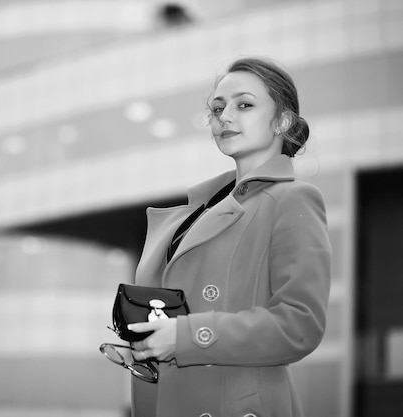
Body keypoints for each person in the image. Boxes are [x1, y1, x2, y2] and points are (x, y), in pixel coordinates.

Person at [126, 57, 331, 417]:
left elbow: (300, 324)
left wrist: (188, 336)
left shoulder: (293, 199)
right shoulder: (199, 210)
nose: (225, 116)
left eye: (244, 105)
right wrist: (151, 344)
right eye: (218, 108)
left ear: (282, 121)